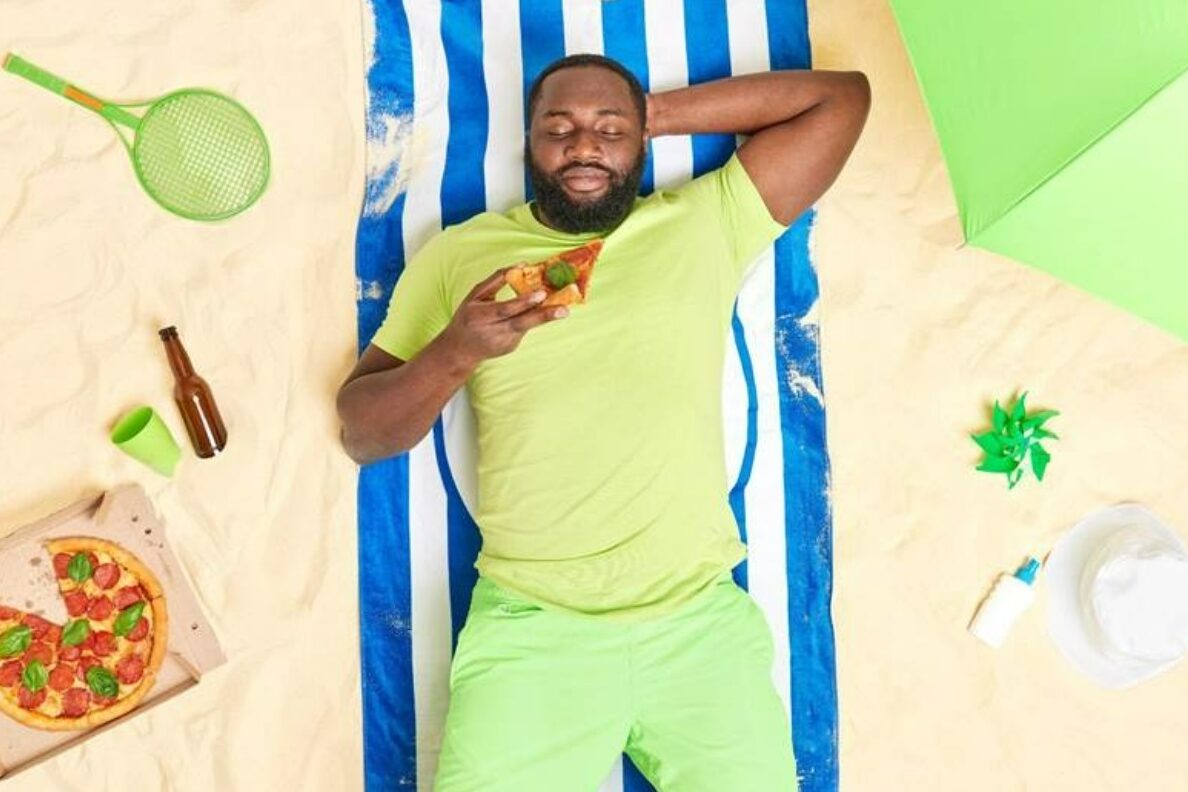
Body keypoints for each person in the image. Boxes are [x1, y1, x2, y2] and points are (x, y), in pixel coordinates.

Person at [337, 53, 869, 792]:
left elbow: (841, 100)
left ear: (643, 140)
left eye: (609, 130)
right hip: (533, 630)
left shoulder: (703, 221)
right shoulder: (463, 257)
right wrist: (457, 350)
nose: (583, 145)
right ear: (528, 142)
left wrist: (653, 112)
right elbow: (361, 432)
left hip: (697, 625)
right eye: (559, 129)